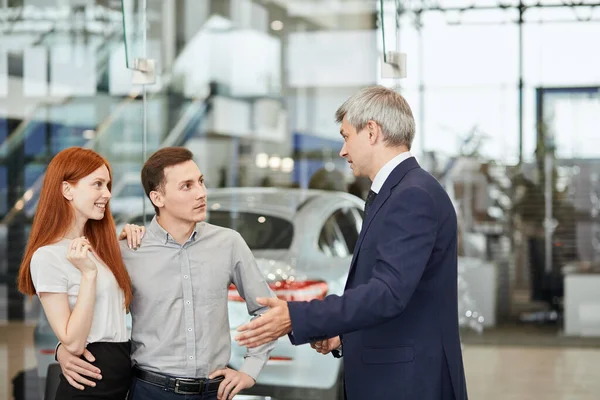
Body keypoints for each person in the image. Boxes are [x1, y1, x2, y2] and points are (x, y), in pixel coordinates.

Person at [235, 86, 468, 400]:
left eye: (346, 136)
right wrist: (343, 334)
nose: (342, 150)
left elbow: (388, 293)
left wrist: (298, 315)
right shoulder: (398, 191)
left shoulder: (412, 195)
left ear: (371, 131)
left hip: (408, 383)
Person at [56, 147, 276, 400]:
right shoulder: (127, 250)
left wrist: (250, 370)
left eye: (201, 182)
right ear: (157, 198)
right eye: (187, 186)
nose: (201, 193)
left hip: (214, 392)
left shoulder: (229, 243)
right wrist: (63, 349)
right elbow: (96, 319)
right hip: (149, 391)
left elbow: (266, 309)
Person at [17, 147, 134, 399]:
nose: (108, 194)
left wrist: (136, 236)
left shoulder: (101, 249)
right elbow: (73, 342)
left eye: (108, 185)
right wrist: (88, 276)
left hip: (121, 373)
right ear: (67, 190)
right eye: (98, 184)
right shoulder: (47, 256)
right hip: (89, 382)